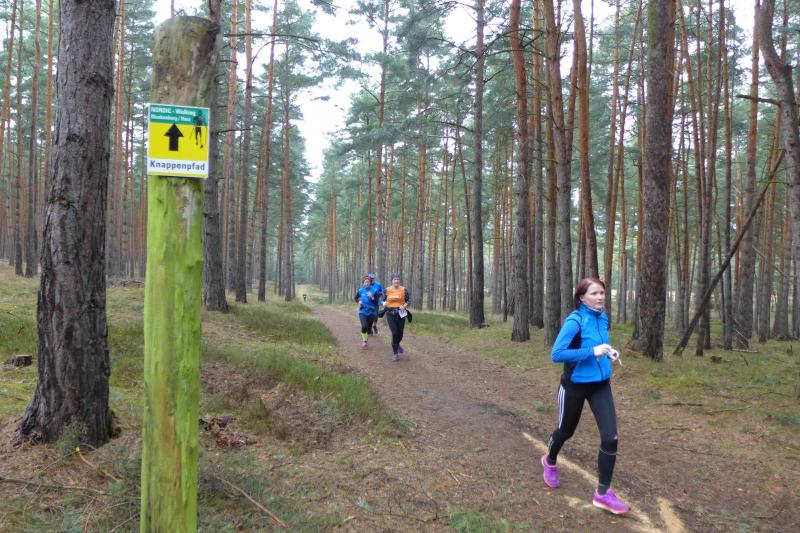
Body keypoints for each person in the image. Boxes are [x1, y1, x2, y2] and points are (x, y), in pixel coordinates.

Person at [541, 277, 629, 515]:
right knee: (565, 431)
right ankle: (550, 460)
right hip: (574, 386)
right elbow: (557, 354)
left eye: (602, 292)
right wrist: (592, 351)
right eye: (594, 293)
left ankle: (603, 493)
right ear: (581, 297)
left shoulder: (602, 318)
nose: (600, 297)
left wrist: (608, 352)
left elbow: (599, 345)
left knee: (611, 438)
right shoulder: (575, 321)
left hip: (600, 385)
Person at [383, 273, 409, 361]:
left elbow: (407, 301)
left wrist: (404, 306)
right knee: (394, 333)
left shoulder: (404, 289)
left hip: (401, 313)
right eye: (394, 279)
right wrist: (383, 303)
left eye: (397, 279)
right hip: (390, 313)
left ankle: (397, 344)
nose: (396, 281)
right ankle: (395, 353)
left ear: (399, 280)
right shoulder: (387, 290)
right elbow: (381, 299)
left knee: (400, 333)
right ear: (392, 281)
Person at [354, 275, 381, 349]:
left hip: (371, 312)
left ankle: (367, 335)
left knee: (368, 330)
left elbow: (376, 302)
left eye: (368, 282)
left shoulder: (374, 291)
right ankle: (365, 341)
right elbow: (355, 298)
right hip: (362, 311)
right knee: (364, 326)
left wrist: (372, 297)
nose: (366, 283)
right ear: (363, 283)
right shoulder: (360, 290)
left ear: (370, 282)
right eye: (365, 282)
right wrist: (359, 301)